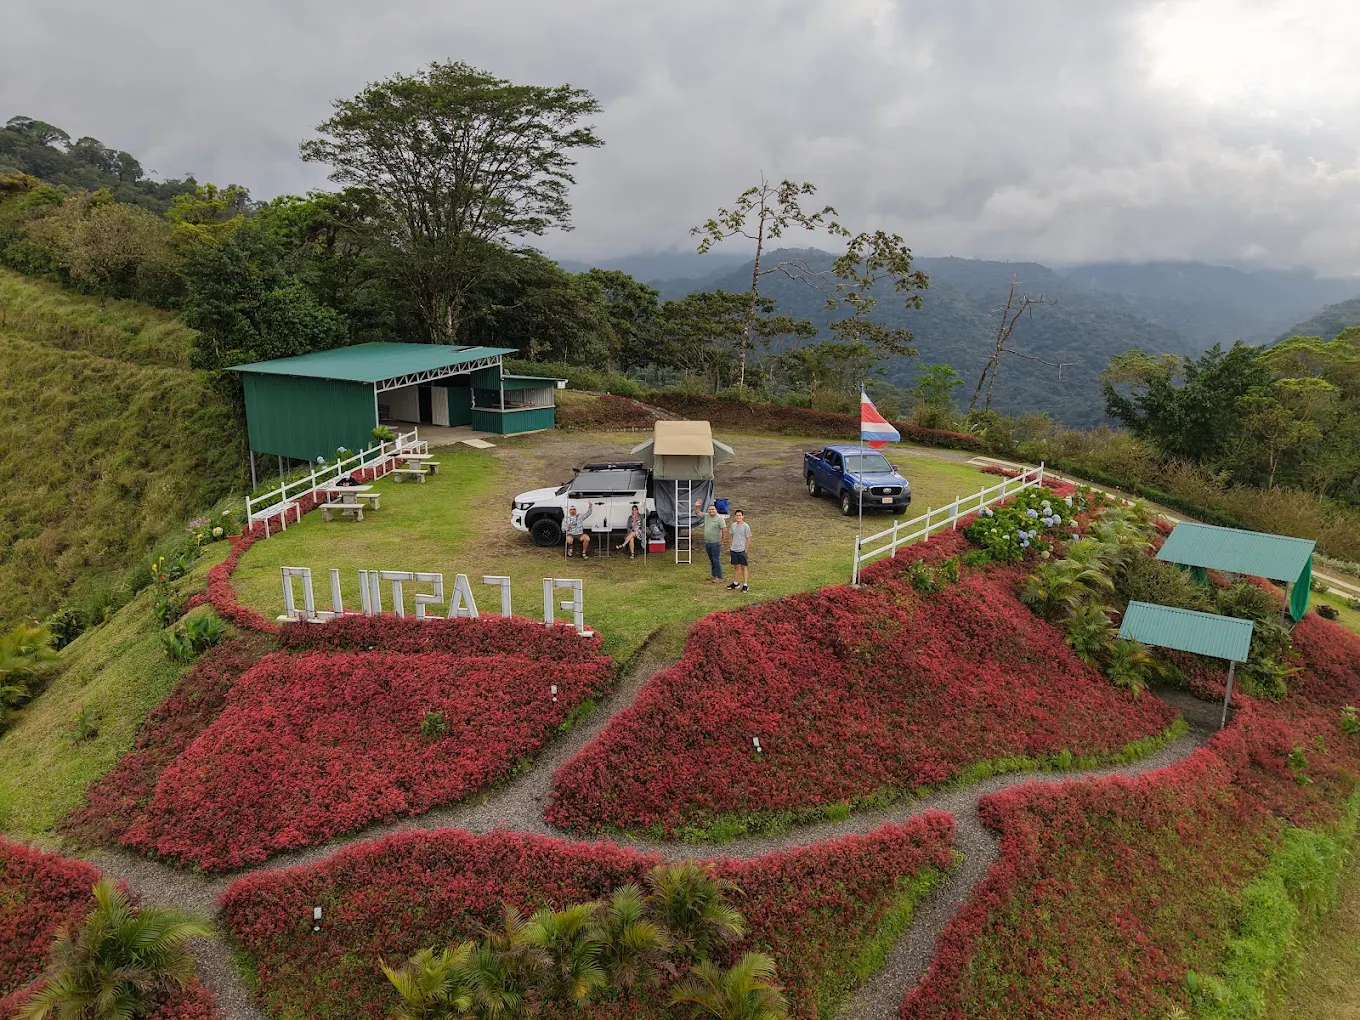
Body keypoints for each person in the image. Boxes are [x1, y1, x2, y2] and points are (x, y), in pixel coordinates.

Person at [698, 499, 727, 583]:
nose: (711, 511)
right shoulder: (707, 516)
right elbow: (698, 513)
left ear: (716, 510)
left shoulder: (719, 519)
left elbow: (724, 530)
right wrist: (696, 506)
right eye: (710, 509)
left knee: (716, 559)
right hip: (708, 543)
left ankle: (720, 577)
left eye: (713, 509)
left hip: (715, 543)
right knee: (711, 560)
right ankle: (714, 576)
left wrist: (722, 541)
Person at [726, 509, 752, 593]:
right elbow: (731, 536)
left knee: (744, 568)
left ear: (742, 516)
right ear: (735, 516)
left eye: (740, 515)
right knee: (736, 567)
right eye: (737, 515)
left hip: (742, 551)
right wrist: (731, 547)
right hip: (734, 550)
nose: (738, 517)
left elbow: (748, 538)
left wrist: (746, 550)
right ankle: (736, 583)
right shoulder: (733, 525)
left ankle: (745, 585)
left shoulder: (746, 526)